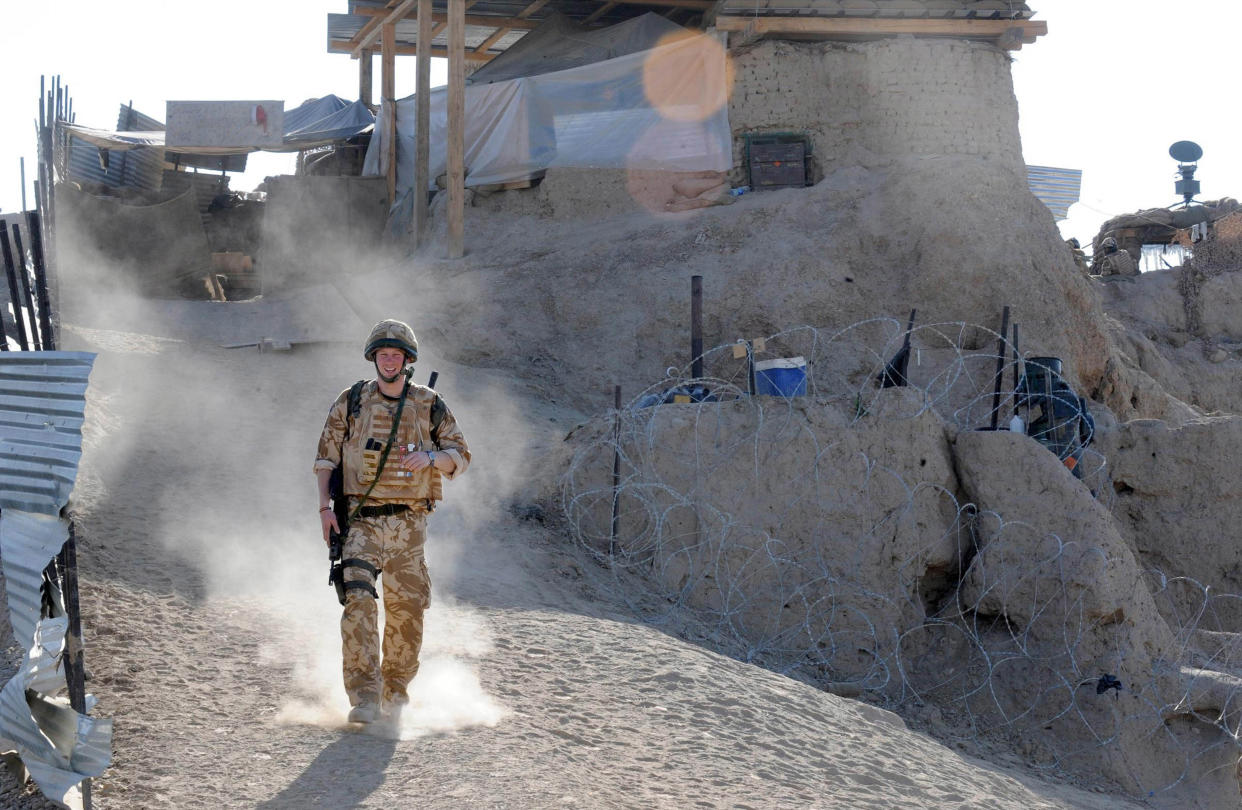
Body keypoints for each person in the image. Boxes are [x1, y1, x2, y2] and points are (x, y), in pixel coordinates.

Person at [314, 319, 470, 724]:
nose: (388, 361)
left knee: (408, 612)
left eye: (395, 355)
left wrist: (431, 458)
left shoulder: (428, 404)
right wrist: (324, 509)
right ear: (373, 359)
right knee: (359, 603)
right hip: (360, 522)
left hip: (408, 526)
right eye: (382, 354)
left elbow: (462, 456)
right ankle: (364, 697)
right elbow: (326, 460)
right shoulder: (351, 402)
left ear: (407, 360)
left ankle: (395, 692)